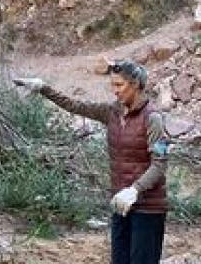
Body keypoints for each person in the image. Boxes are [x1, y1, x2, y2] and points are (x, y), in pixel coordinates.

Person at [16, 59, 172, 264]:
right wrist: (43, 88)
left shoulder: (153, 119)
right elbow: (74, 105)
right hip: (121, 205)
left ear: (135, 85)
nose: (115, 91)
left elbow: (159, 164)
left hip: (147, 208)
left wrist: (135, 189)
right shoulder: (112, 112)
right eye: (112, 85)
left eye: (119, 85)